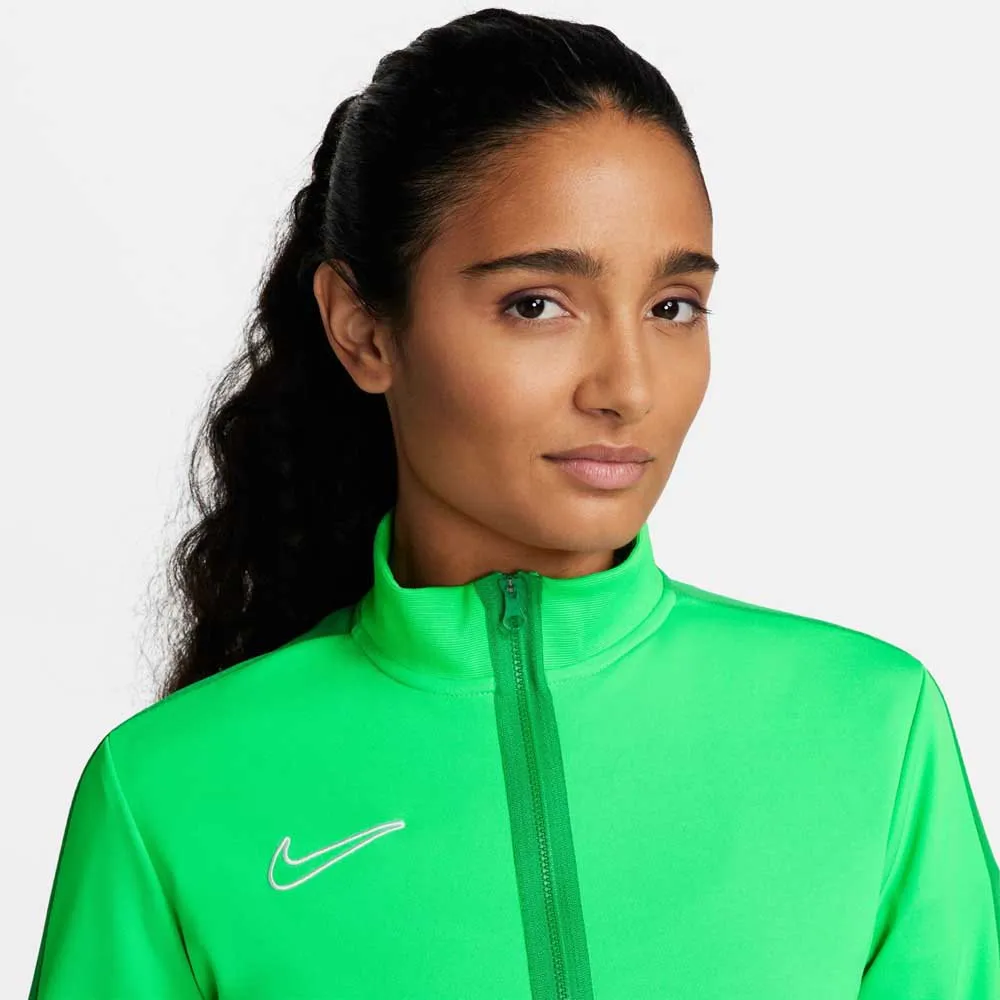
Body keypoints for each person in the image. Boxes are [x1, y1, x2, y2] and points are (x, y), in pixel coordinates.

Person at [28, 7, 1000, 999]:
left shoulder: (872, 730)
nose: (627, 387)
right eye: (537, 304)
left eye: (672, 307)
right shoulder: (168, 795)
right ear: (363, 329)